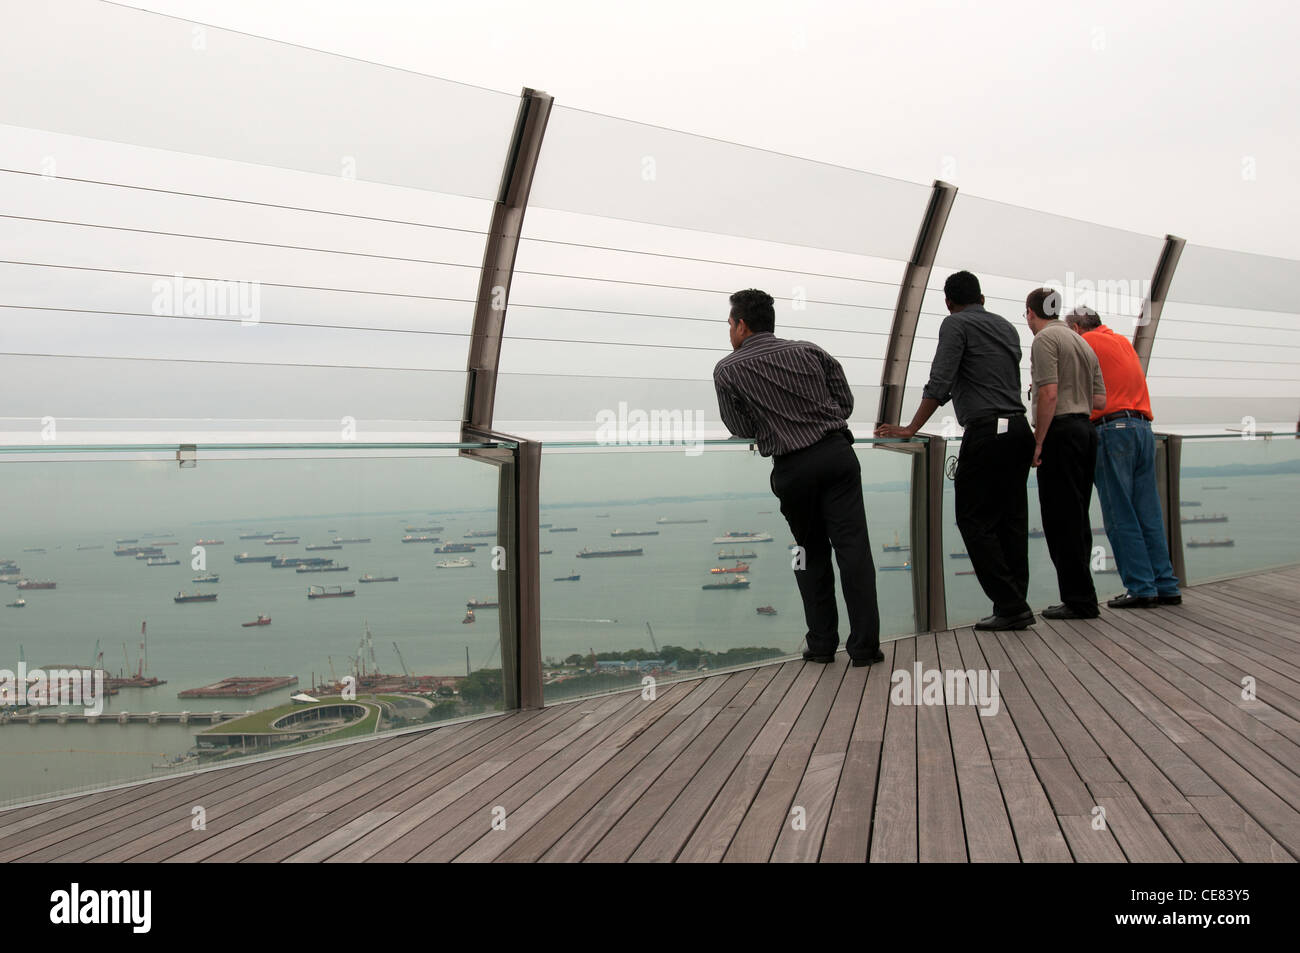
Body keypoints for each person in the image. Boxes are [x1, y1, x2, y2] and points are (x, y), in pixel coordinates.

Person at [713, 288, 883, 666]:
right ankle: (865, 648)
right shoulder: (810, 350)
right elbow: (845, 401)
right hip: (838, 455)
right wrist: (818, 418)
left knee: (807, 553)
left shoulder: (728, 369)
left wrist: (772, 423)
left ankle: (821, 644)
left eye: (729, 323)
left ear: (741, 324)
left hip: (793, 469)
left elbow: (740, 426)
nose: (729, 331)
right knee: (854, 551)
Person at [876, 271, 1036, 631]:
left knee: (972, 519)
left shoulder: (955, 325)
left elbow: (940, 380)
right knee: (1012, 521)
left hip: (988, 433)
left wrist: (910, 428)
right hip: (1019, 430)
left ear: (948, 302)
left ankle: (1010, 604)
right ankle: (1014, 606)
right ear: (982, 297)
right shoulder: (1006, 327)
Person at [1065, 305, 1181, 608]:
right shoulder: (1123, 343)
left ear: (1076, 329)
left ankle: (1141, 588)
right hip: (1143, 430)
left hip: (1112, 430)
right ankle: (1166, 585)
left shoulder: (1085, 343)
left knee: (1119, 515)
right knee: (1148, 513)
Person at [1025, 289, 1107, 619]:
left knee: (1060, 520)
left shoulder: (1044, 341)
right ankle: (1082, 595)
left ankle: (1078, 600)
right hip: (1086, 431)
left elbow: (1048, 394)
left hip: (1060, 432)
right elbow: (1100, 401)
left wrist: (1039, 442)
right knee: (1077, 516)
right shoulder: (1083, 342)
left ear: (1031, 313)